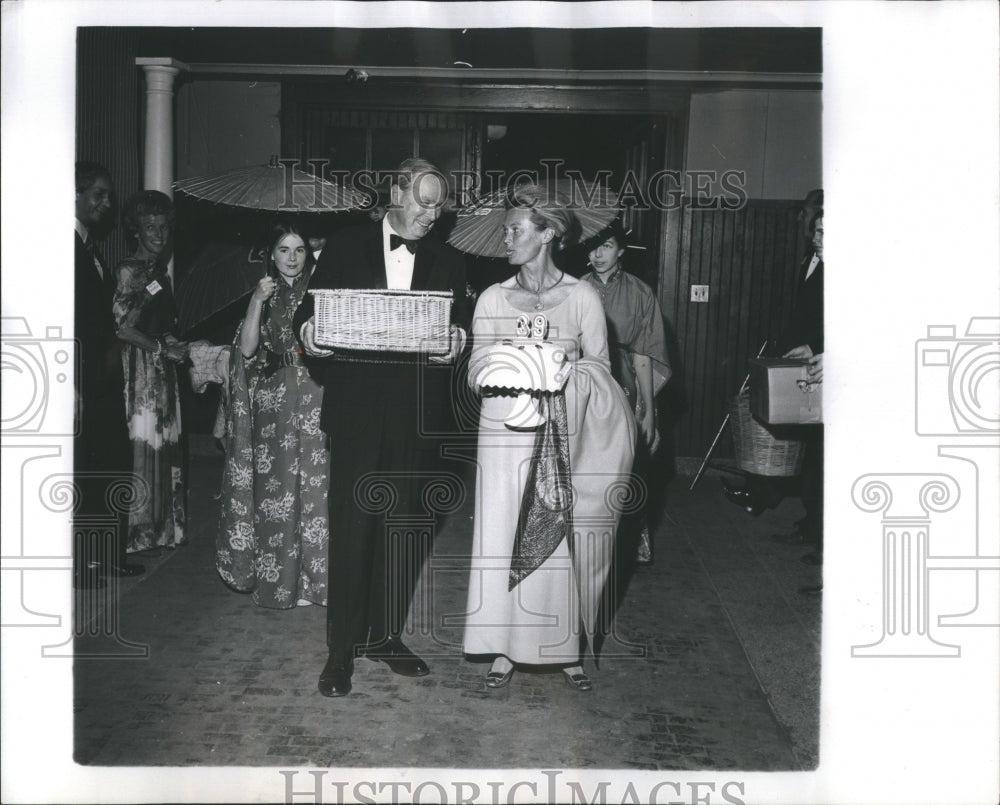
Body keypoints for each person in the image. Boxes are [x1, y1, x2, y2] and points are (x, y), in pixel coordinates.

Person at [294, 158, 469, 697]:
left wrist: (457, 344)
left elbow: (460, 328)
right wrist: (311, 336)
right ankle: (341, 647)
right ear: (394, 191)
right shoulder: (346, 245)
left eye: (439, 204)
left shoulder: (449, 257)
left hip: (418, 416)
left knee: (404, 525)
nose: (431, 214)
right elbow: (309, 312)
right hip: (357, 409)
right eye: (422, 200)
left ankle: (383, 635)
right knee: (354, 526)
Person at [462, 183, 636, 691]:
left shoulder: (581, 295)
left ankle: (566, 650)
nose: (506, 239)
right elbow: (475, 368)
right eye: (506, 231)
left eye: (515, 230)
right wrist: (510, 365)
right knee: (501, 536)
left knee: (560, 540)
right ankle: (503, 647)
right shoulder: (493, 297)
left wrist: (559, 371)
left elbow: (601, 370)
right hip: (502, 433)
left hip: (562, 433)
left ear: (548, 234)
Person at [216, 221, 330, 608]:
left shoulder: (321, 290)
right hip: (274, 400)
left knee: (317, 488)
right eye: (284, 249)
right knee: (278, 490)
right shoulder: (263, 292)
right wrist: (255, 301)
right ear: (271, 254)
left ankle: (318, 584)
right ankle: (281, 584)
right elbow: (247, 351)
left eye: (299, 249)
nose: (292, 258)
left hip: (316, 393)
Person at [582, 219, 670, 564]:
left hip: (626, 384)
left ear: (621, 250)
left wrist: (649, 410)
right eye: (593, 246)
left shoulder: (639, 292)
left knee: (627, 465)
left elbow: (644, 354)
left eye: (607, 246)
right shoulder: (574, 289)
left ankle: (628, 542)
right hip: (584, 384)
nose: (598, 254)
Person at [74, 162, 144, 584]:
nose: (106, 202)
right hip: (78, 375)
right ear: (76, 194)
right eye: (98, 194)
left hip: (100, 374)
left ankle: (108, 554)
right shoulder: (61, 243)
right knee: (83, 470)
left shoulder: (89, 246)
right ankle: (81, 563)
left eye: (106, 195)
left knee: (111, 464)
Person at [112, 190, 188, 552]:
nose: (158, 235)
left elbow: (158, 324)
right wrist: (161, 348)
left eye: (163, 227)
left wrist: (180, 345)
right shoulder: (130, 270)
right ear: (136, 232)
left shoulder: (160, 273)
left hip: (161, 371)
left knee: (162, 444)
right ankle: (136, 534)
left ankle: (159, 531)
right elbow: (122, 327)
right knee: (143, 444)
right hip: (139, 372)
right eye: (149, 228)